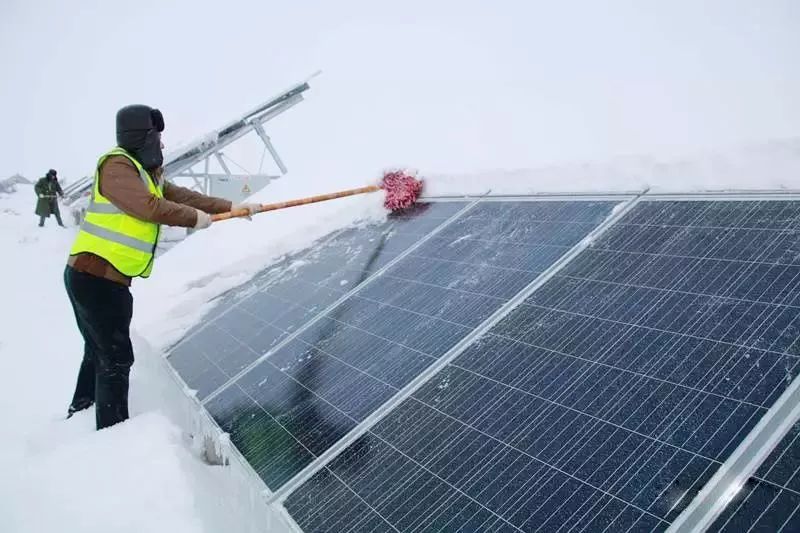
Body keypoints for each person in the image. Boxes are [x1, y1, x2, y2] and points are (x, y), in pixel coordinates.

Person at [64, 104, 260, 430]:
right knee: (115, 359)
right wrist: (193, 219)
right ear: (142, 136)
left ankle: (81, 412)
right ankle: (111, 434)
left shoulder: (145, 173)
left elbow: (183, 196)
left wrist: (232, 207)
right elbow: (148, 207)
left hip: (102, 279)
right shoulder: (117, 167)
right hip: (94, 277)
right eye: (157, 137)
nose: (163, 145)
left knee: (98, 351)